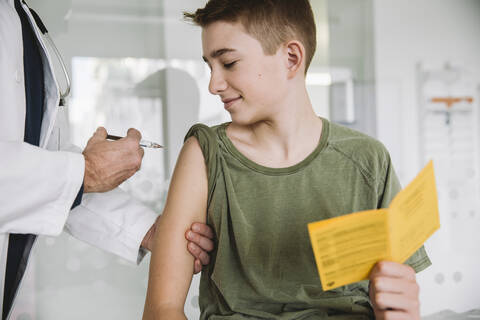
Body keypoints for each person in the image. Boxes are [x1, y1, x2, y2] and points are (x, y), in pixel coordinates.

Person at [142, 0, 432, 319]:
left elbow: (397, 303)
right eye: (210, 67)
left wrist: (402, 310)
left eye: (228, 63)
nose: (213, 85)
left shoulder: (368, 160)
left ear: (291, 58)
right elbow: (162, 309)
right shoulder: (204, 155)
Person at [0, 1, 214, 319]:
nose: (216, 85)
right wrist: (86, 171)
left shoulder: (19, 19)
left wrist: (150, 230)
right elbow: (64, 176)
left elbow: (53, 169)